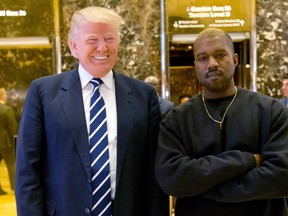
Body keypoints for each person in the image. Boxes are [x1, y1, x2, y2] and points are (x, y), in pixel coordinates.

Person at [15, 6, 168, 216]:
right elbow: (27, 169)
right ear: (73, 46)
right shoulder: (43, 93)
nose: (102, 48)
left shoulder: (143, 96)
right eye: (92, 40)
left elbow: (153, 173)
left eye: (109, 39)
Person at [155, 28, 288, 216]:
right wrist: (246, 160)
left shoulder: (270, 111)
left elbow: (282, 176)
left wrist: (211, 189)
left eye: (219, 55)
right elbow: (171, 178)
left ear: (235, 60)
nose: (212, 64)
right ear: (196, 65)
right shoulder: (177, 119)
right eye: (203, 58)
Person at [0, 88, 17, 195]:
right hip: (6, 142)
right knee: (11, 165)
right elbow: (13, 128)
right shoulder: (7, 110)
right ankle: (16, 187)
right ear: (3, 96)